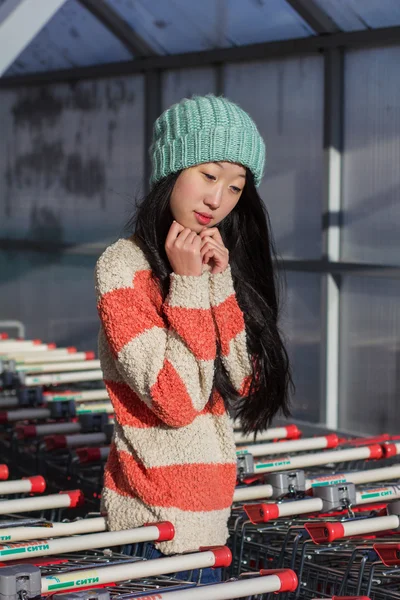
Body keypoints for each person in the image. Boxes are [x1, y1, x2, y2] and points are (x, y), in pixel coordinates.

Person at [94, 94, 293, 583]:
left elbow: (245, 379)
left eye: (235, 187)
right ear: (171, 170)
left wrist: (217, 281)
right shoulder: (122, 266)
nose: (218, 200)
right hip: (149, 529)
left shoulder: (211, 260)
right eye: (209, 175)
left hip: (209, 523)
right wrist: (186, 285)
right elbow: (176, 400)